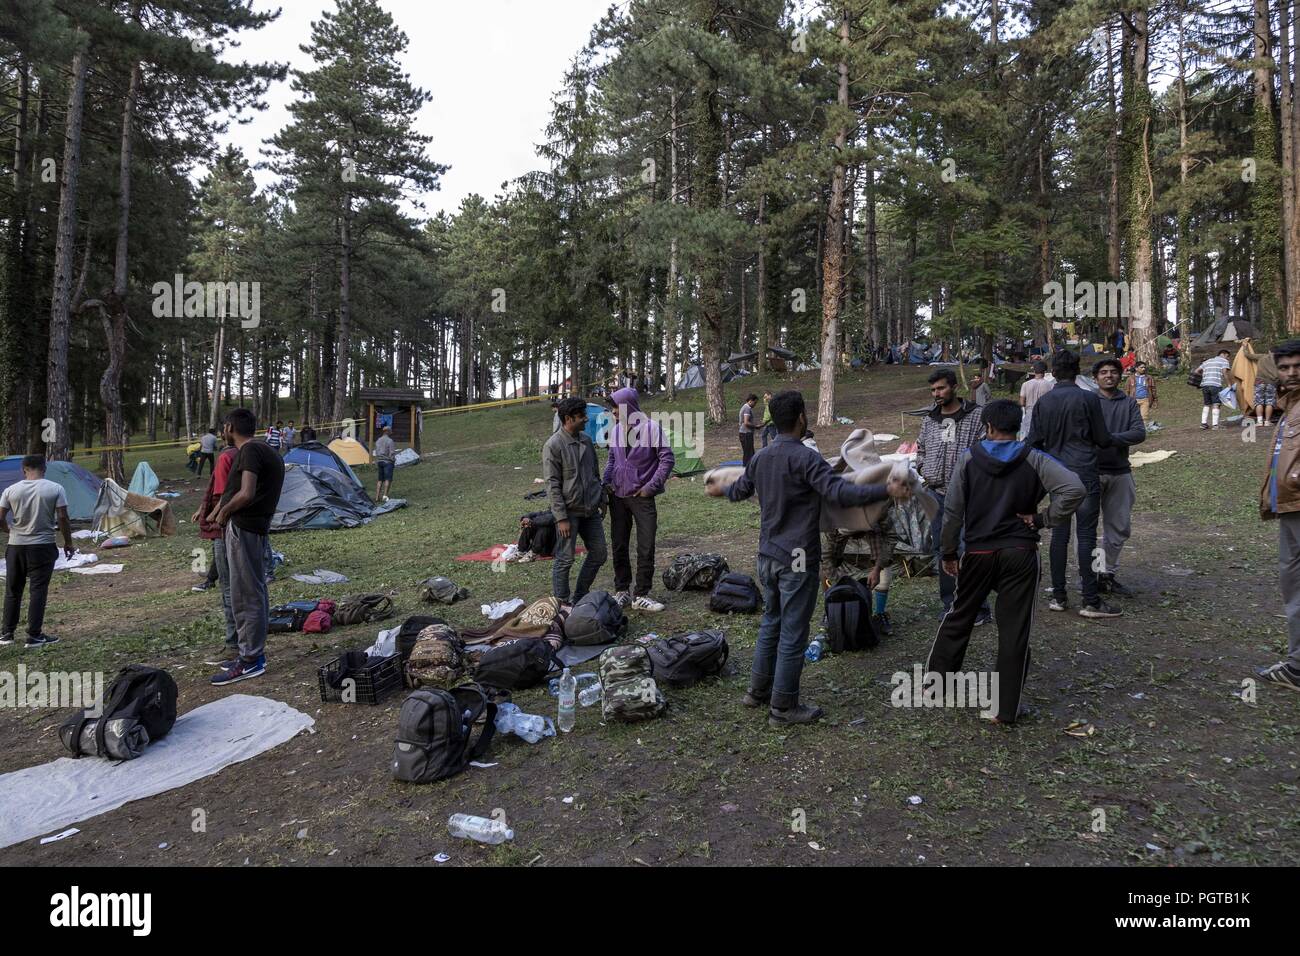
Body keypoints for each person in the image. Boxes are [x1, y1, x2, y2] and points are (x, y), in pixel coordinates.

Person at [710, 390, 911, 726]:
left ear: (774, 420)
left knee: (772, 621)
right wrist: (884, 490)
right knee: (793, 630)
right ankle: (783, 707)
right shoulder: (806, 458)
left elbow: (741, 489)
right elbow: (841, 493)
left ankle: (757, 692)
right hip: (798, 557)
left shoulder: (761, 457)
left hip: (767, 555)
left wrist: (721, 488)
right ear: (802, 417)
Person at [926, 400, 1086, 723]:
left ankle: (935, 687)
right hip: (1020, 554)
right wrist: (1043, 519)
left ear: (987, 427)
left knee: (959, 615)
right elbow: (1074, 488)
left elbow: (953, 512)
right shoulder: (1034, 459)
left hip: (978, 553)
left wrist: (948, 552)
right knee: (1015, 629)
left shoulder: (969, 459)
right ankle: (1004, 709)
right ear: (1018, 427)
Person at [1027, 349, 1120, 618]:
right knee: (1087, 535)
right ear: (1077, 370)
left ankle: (1059, 595)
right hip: (1084, 472)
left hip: (1055, 474)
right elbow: (1102, 438)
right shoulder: (1088, 399)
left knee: (1059, 533)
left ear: (1053, 372)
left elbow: (1033, 441)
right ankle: (1090, 600)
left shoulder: (1044, 403)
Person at [208, 408, 285, 685]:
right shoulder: (267, 449)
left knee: (244, 593)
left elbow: (246, 493)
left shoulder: (249, 451)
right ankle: (251, 653)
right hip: (255, 527)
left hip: (244, 527)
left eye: (223, 428)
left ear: (229, 427)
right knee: (254, 589)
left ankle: (250, 659)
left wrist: (223, 512)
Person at [916, 368, 992, 625]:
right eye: (933, 390)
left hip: (968, 495)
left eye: (941, 388)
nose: (937, 394)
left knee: (968, 550)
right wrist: (923, 468)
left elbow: (986, 448)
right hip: (936, 494)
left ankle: (978, 607)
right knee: (943, 549)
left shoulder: (976, 416)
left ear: (954, 387)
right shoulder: (929, 420)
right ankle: (950, 604)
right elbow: (921, 449)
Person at [602, 387, 674, 612]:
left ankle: (641, 594)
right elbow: (612, 459)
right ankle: (622, 591)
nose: (613, 412)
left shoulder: (651, 428)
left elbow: (667, 459)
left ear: (628, 407)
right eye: (612, 408)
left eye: (616, 407)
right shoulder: (615, 431)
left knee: (646, 545)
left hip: (641, 497)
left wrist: (650, 487)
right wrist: (607, 483)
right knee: (619, 544)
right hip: (618, 496)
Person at [1257, 339, 1300, 691]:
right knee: (1293, 584)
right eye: (1284, 368)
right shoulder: (1290, 406)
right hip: (1289, 506)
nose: (1291, 374)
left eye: (1298, 367)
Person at [0, 455, 74, 648]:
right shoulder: (55, 488)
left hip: (16, 546)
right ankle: (34, 635)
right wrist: (68, 542)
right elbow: (63, 517)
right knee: (38, 590)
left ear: (23, 469)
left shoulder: (10, 490)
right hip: (42, 545)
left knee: (12, 590)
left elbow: (0, 517)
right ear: (44, 468)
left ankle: (7, 634)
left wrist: (10, 531)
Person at [543, 397, 608, 602]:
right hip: (569, 513)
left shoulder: (587, 441)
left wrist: (602, 499)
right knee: (565, 560)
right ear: (569, 418)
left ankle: (580, 596)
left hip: (591, 512)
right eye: (581, 416)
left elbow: (595, 474)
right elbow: (552, 484)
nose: (586, 420)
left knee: (599, 553)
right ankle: (562, 602)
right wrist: (560, 517)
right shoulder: (553, 445)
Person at [1094, 358, 1147, 597]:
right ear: (1096, 377)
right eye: (1103, 372)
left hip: (1120, 471)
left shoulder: (1128, 403)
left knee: (1118, 527)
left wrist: (1108, 439)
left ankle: (1108, 574)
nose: (1108, 376)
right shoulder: (1088, 402)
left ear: (1120, 376)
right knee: (1086, 529)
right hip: (1091, 473)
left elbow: (1139, 432)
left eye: (1113, 372)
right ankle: (1092, 574)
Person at [192, 428, 239, 655]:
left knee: (229, 587)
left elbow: (222, 495)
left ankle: (233, 643)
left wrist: (213, 516)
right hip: (243, 527)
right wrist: (203, 508)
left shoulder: (226, 457)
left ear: (228, 431)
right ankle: (244, 641)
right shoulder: (247, 454)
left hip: (224, 528)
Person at [1242, 339, 1279, 426]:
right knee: (1270, 402)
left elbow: (1248, 355)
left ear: (1269, 351)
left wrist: (1245, 346)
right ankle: (1267, 421)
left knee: (1259, 402)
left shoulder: (1262, 356)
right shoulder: (1279, 360)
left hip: (1259, 382)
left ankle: (1259, 421)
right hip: (1272, 382)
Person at [1195, 348, 1233, 429]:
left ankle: (1203, 424)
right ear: (1224, 354)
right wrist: (1229, 384)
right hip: (1215, 385)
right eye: (1228, 356)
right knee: (1216, 404)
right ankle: (1215, 425)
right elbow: (1225, 373)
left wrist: (1205, 376)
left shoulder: (1208, 361)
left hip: (1205, 385)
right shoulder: (1223, 361)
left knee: (1207, 404)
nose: (1228, 359)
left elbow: (1196, 371)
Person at [1019, 360, 1052, 440]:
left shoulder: (1026, 384)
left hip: (1029, 413)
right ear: (1045, 371)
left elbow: (1022, 402)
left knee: (1027, 437)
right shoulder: (1050, 385)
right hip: (1044, 414)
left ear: (1034, 371)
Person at [374, 426, 396, 502]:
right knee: (388, 479)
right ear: (387, 431)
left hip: (379, 461)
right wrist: (393, 460)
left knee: (380, 479)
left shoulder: (378, 440)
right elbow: (392, 453)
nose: (391, 432)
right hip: (388, 462)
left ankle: (377, 497)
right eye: (390, 431)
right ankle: (385, 496)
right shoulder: (390, 441)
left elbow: (376, 451)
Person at [739, 393, 758, 466]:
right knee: (748, 453)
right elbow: (746, 422)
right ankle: (746, 469)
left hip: (745, 433)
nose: (755, 405)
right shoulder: (747, 408)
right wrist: (755, 426)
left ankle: (749, 468)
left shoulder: (745, 407)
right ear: (750, 401)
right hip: (746, 433)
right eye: (755, 402)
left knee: (749, 452)